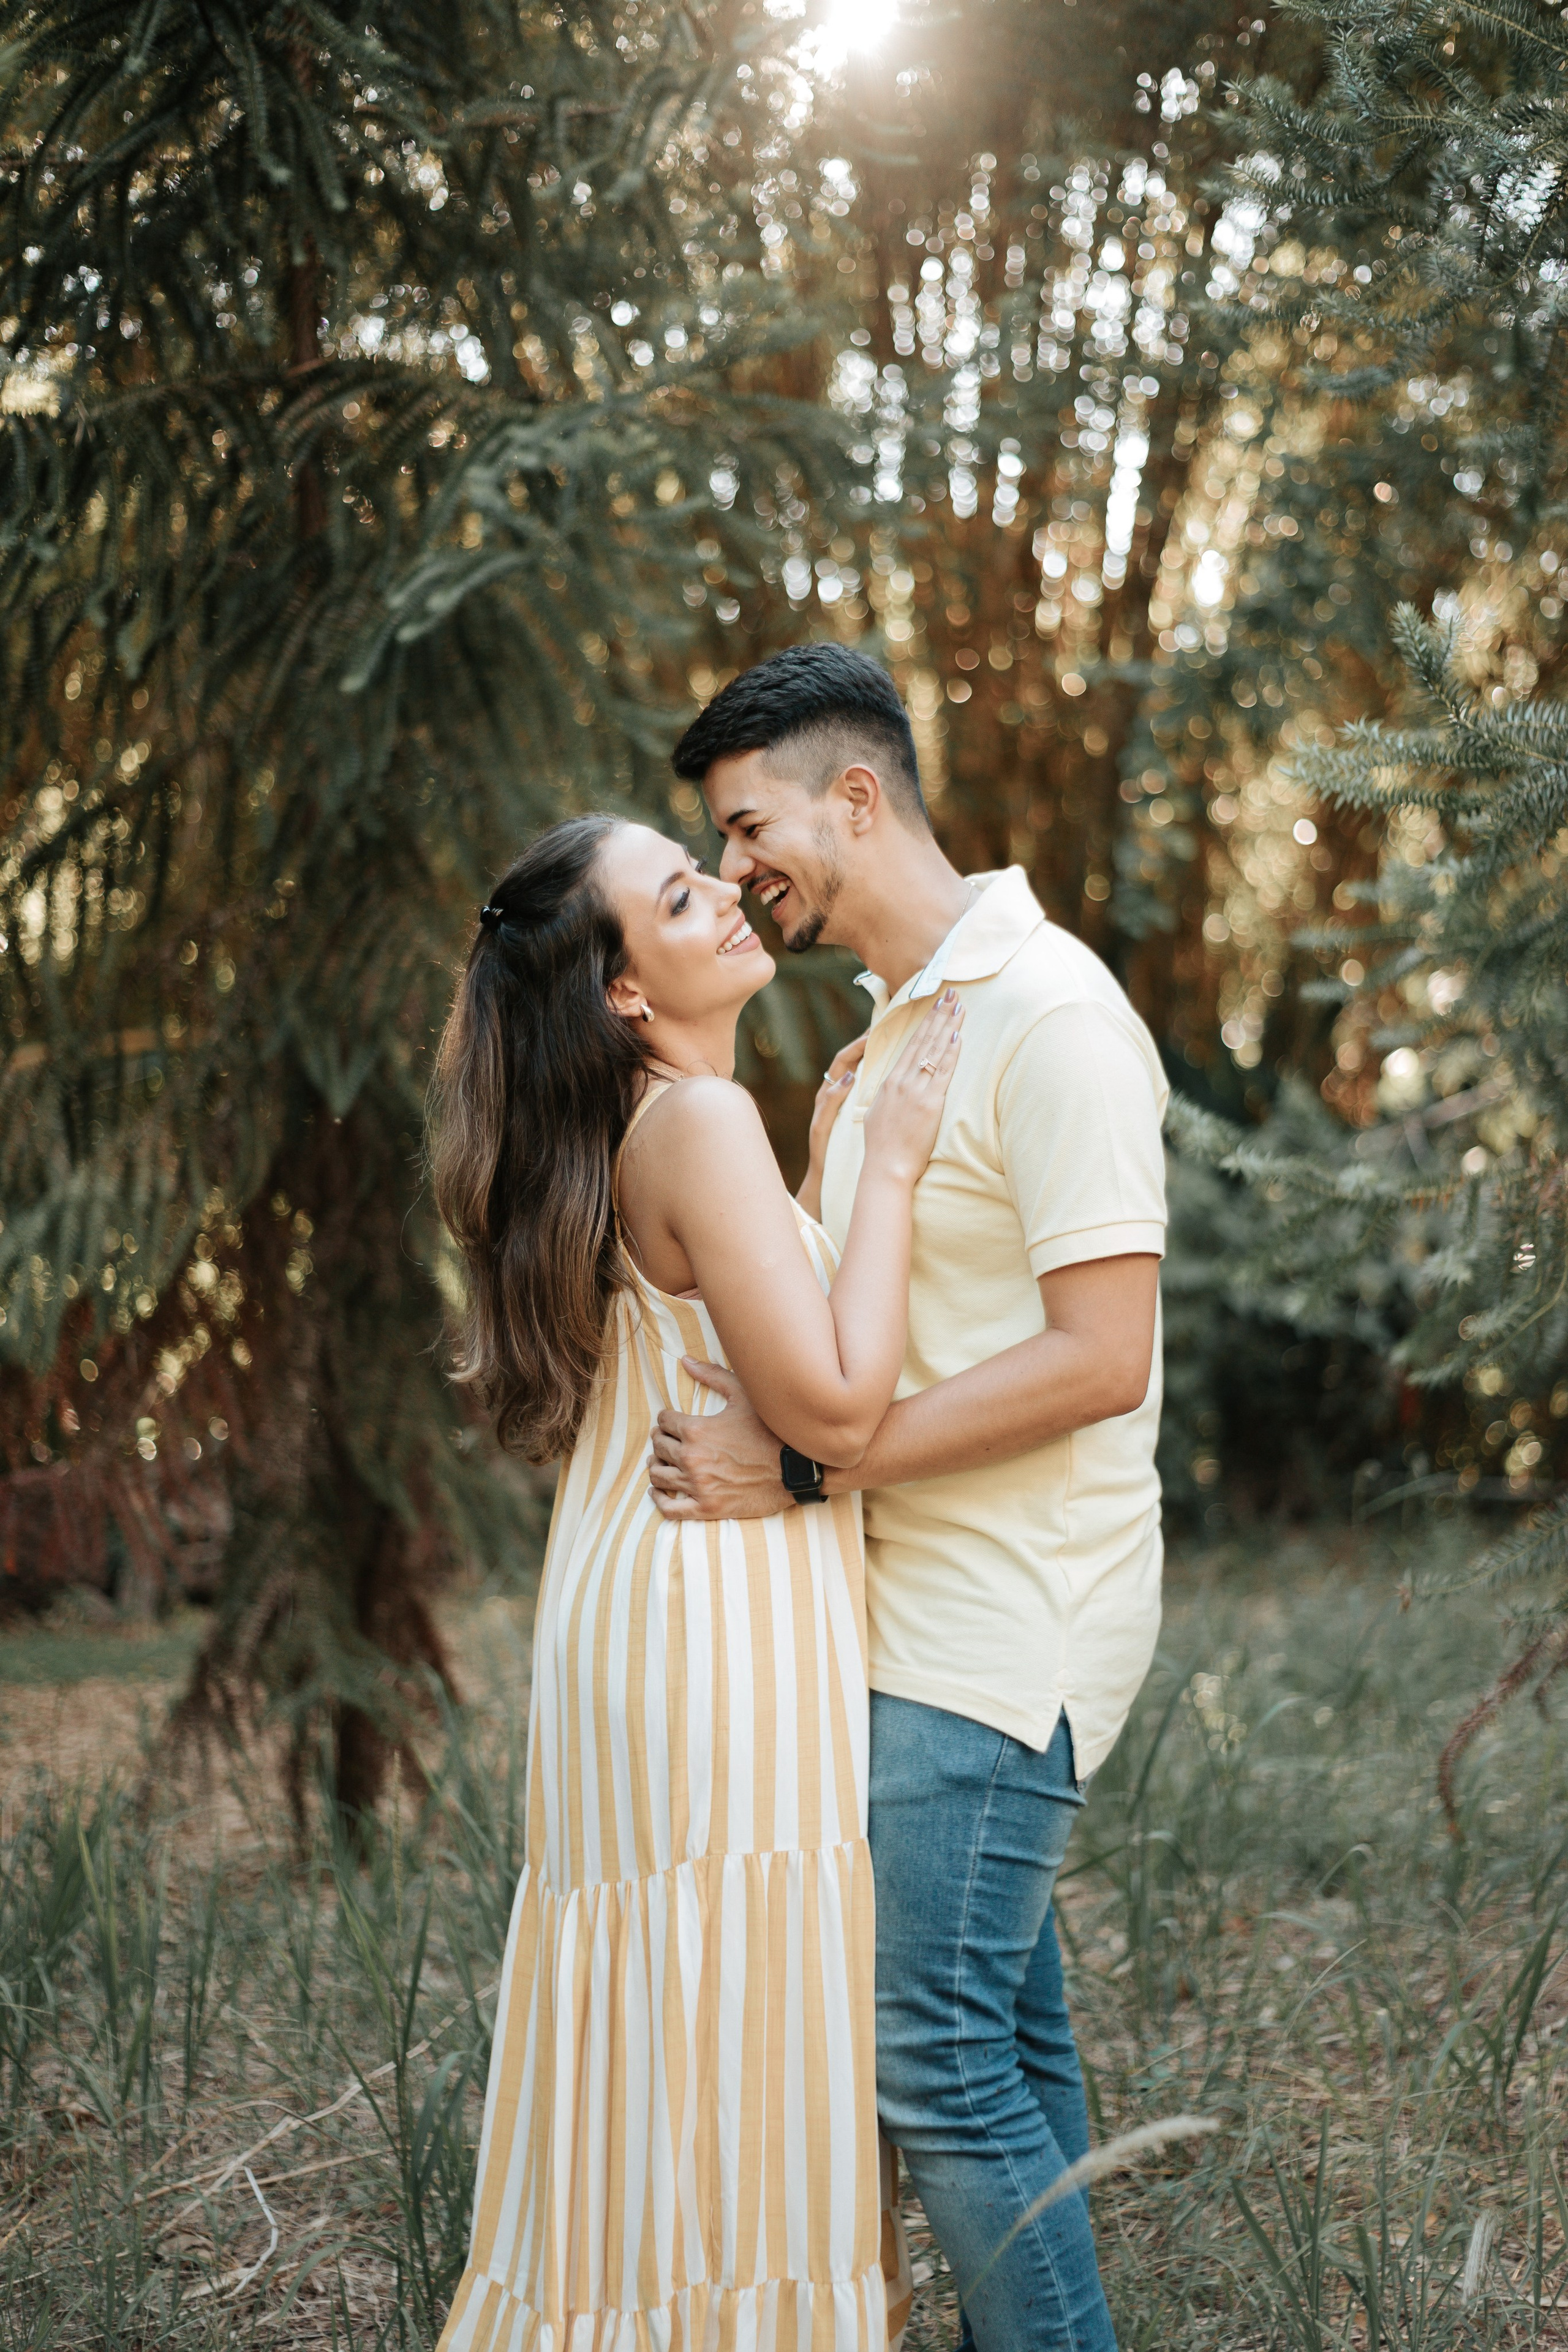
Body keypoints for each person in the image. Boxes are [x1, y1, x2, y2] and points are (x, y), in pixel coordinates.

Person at [649, 645, 1169, 2352]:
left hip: (1005, 1622)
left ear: (853, 800)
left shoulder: (1056, 1017)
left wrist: (812, 1462)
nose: (735, 876)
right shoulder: (888, 1046)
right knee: (1005, 2045)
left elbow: (1103, 1358)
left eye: (746, 830)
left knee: (931, 2062)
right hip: (905, 1605)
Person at [427, 810, 962, 2352]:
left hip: (643, 1591)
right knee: (727, 2006)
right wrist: (891, 1174)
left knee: (671, 2015)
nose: (725, 888)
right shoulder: (696, 1127)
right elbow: (841, 1406)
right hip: (707, 1618)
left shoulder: (657, 1124)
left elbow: (736, 1329)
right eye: (677, 892)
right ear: (622, 994)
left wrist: (809, 1172)